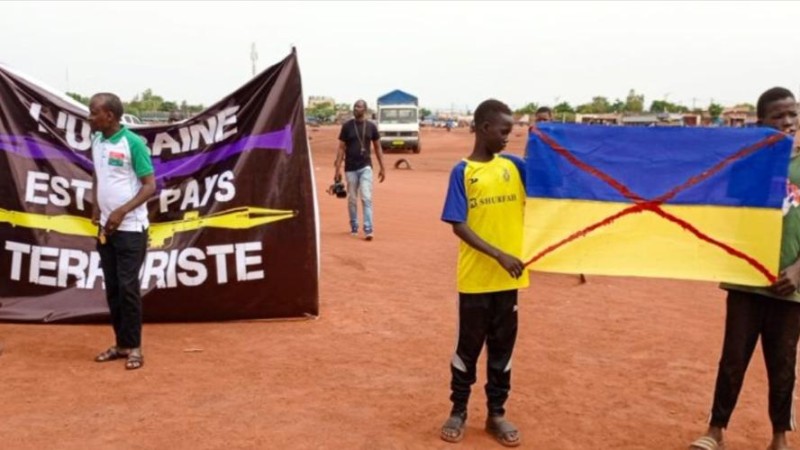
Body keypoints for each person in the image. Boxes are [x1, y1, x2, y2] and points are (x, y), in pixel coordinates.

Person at [689, 87, 800, 450]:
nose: (787, 122)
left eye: (792, 114)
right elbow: (730, 216)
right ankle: (716, 430)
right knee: (734, 357)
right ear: (760, 123)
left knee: (783, 363)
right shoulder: (747, 163)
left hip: (791, 283)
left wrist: (798, 270)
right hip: (746, 280)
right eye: (778, 116)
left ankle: (779, 436)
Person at [439, 99, 529, 447]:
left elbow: (553, 181)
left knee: (503, 349)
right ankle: (458, 410)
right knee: (468, 349)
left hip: (510, 281)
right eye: (504, 131)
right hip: (475, 281)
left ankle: (497, 413)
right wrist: (498, 255)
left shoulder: (515, 167)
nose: (509, 137)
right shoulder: (462, 172)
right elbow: (458, 225)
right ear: (484, 128)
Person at [89, 93, 156, 371]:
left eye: (94, 113)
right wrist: (97, 206)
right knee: (114, 289)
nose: (90, 117)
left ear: (110, 116)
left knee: (128, 288)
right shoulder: (96, 141)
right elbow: (97, 175)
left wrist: (121, 211)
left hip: (130, 229)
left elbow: (150, 185)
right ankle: (121, 344)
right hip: (107, 229)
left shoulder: (133, 144)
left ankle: (136, 348)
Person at [334, 99, 386, 241]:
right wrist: (337, 169)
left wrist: (382, 167)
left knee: (366, 197)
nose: (356, 109)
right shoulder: (347, 127)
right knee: (352, 199)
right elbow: (341, 148)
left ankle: (368, 228)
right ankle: (354, 225)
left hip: (366, 167)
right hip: (350, 167)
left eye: (359, 107)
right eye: (355, 106)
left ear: (365, 109)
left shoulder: (371, 127)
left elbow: (377, 147)